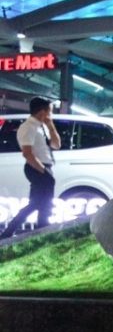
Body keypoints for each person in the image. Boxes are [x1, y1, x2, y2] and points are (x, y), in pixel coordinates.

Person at [0, 97, 61, 238]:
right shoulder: (28, 127)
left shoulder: (41, 126)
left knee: (39, 203)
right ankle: (41, 229)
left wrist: (50, 126)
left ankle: (32, 230)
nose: (51, 115)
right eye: (50, 111)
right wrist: (43, 171)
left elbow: (56, 145)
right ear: (42, 111)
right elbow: (27, 153)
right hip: (36, 167)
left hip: (42, 167)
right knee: (42, 202)